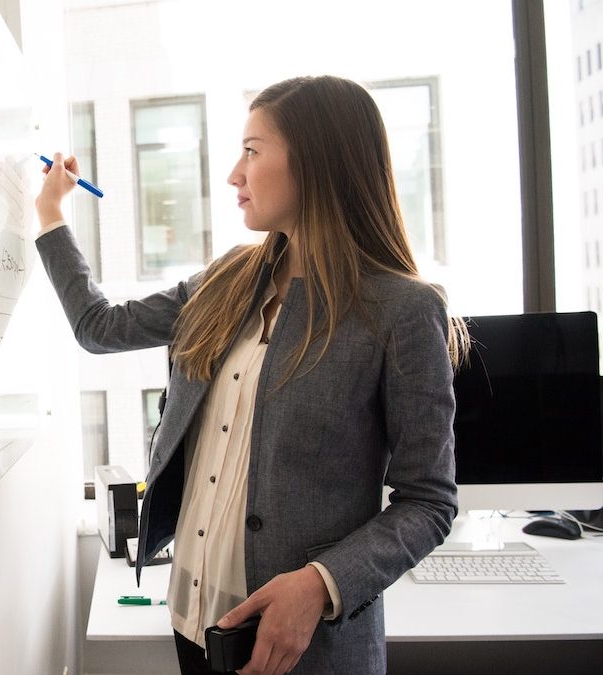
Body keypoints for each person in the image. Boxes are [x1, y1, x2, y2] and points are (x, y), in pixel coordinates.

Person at [34, 75, 467, 675]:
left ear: (317, 163)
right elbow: (98, 328)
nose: (235, 174)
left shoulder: (402, 311)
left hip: (302, 646)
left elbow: (428, 501)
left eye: (252, 151)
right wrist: (50, 215)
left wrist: (321, 585)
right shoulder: (226, 279)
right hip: (192, 620)